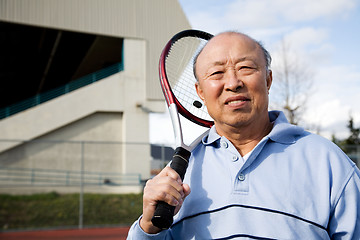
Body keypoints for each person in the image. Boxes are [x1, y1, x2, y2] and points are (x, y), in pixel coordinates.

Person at [127, 31, 360, 239]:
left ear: (268, 80)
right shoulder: (178, 176)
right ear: (200, 92)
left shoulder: (329, 162)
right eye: (217, 73)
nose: (233, 83)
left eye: (246, 68)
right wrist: (148, 228)